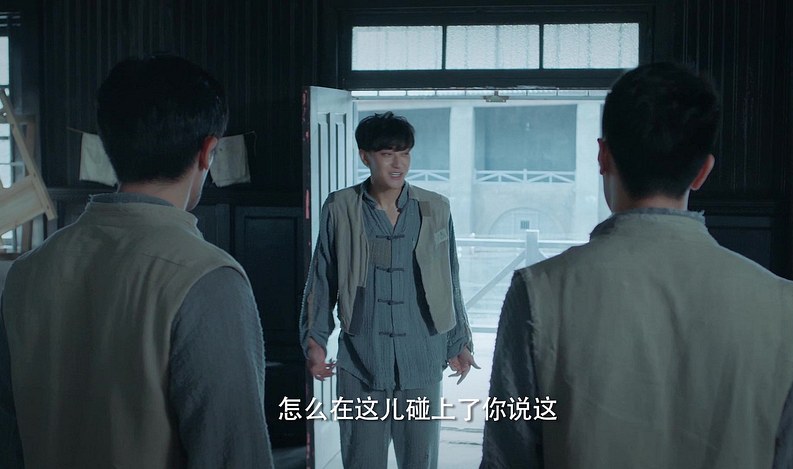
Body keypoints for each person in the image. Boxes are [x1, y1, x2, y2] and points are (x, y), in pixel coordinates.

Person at [481, 62, 793, 469]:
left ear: (603, 156)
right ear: (702, 172)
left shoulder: (539, 291)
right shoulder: (776, 305)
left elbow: (507, 457)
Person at [0, 56, 274, 468]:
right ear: (208, 151)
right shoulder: (207, 277)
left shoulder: (26, 272)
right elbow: (235, 456)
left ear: (108, 143)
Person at [300, 111, 476, 468]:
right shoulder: (341, 207)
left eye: (405, 153)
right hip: (361, 360)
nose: (399, 164)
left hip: (422, 356)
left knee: (420, 460)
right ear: (365, 156)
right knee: (362, 459)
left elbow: (450, 278)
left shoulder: (435, 207)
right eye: (387, 154)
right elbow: (322, 277)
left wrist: (458, 341)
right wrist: (315, 341)